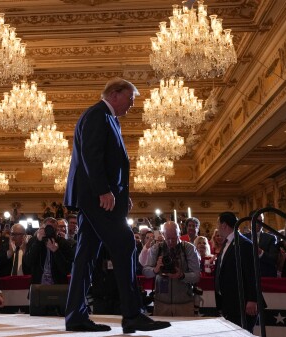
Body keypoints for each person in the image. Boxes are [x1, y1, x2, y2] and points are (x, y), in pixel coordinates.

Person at [63, 78, 170, 333]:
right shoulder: (98, 114)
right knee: (124, 244)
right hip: (96, 198)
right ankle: (132, 314)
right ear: (115, 94)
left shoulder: (109, 118)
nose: (132, 105)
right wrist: (104, 190)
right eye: (130, 99)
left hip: (98, 199)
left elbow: (111, 163)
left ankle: (76, 317)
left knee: (86, 256)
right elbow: (92, 155)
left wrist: (120, 194)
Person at [214, 212, 264, 333]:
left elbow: (252, 273)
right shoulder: (227, 243)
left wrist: (252, 299)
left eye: (218, 224)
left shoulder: (244, 243)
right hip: (230, 302)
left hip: (242, 303)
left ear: (224, 225)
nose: (217, 228)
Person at [143, 221, 200, 316]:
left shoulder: (188, 249)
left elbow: (196, 276)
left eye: (174, 238)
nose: (170, 242)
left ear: (179, 233)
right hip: (161, 303)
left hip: (184, 303)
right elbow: (145, 271)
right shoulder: (157, 248)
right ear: (163, 234)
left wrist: (182, 275)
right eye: (167, 238)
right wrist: (155, 269)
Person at [24, 217, 73, 284]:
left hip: (58, 286)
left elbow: (67, 270)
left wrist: (56, 251)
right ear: (41, 228)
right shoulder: (34, 241)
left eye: (53, 229)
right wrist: (38, 242)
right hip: (38, 284)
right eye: (47, 229)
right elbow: (28, 262)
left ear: (57, 230)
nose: (50, 231)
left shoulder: (63, 243)